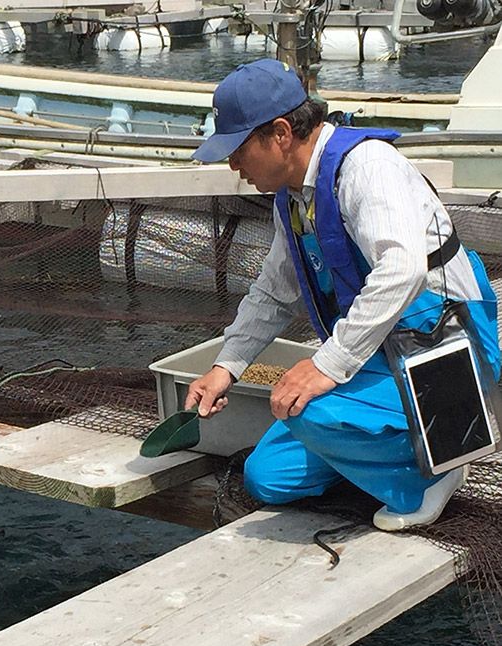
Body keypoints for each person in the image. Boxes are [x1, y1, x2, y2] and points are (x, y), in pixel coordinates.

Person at [185, 59, 500, 531]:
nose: (232, 165)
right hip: (380, 352)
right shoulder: (292, 198)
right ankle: (384, 450)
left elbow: (403, 269)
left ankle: (438, 467)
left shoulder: (367, 168)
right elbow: (274, 291)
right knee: (267, 478)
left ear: (280, 133)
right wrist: (224, 366)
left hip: (443, 348)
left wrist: (325, 366)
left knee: (305, 406)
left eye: (238, 149)